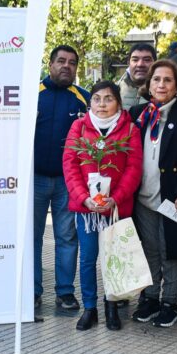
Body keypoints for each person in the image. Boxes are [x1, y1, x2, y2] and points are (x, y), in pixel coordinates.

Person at [130, 60, 177, 328]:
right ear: (149, 84)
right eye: (156, 79)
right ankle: (150, 298)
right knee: (149, 249)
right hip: (143, 197)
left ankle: (169, 303)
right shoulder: (138, 113)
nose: (161, 84)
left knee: (170, 250)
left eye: (168, 80)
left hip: (173, 198)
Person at [62, 81, 143, 331]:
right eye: (96, 99)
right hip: (87, 209)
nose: (102, 104)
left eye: (108, 99)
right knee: (87, 259)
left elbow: (133, 169)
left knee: (113, 259)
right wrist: (84, 198)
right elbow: (70, 165)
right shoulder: (79, 126)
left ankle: (111, 306)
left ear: (118, 102)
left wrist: (115, 198)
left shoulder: (130, 129)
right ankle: (90, 308)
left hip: (115, 208)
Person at [33, 44, 89, 311]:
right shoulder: (32, 94)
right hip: (34, 179)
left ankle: (65, 291)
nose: (67, 66)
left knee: (67, 237)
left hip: (69, 183)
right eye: (61, 61)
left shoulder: (84, 99)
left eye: (72, 63)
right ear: (50, 64)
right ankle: (32, 291)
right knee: (32, 237)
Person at [118, 43, 155, 110]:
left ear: (155, 63)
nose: (140, 64)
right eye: (135, 60)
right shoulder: (115, 90)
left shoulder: (163, 91)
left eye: (147, 60)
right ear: (128, 63)